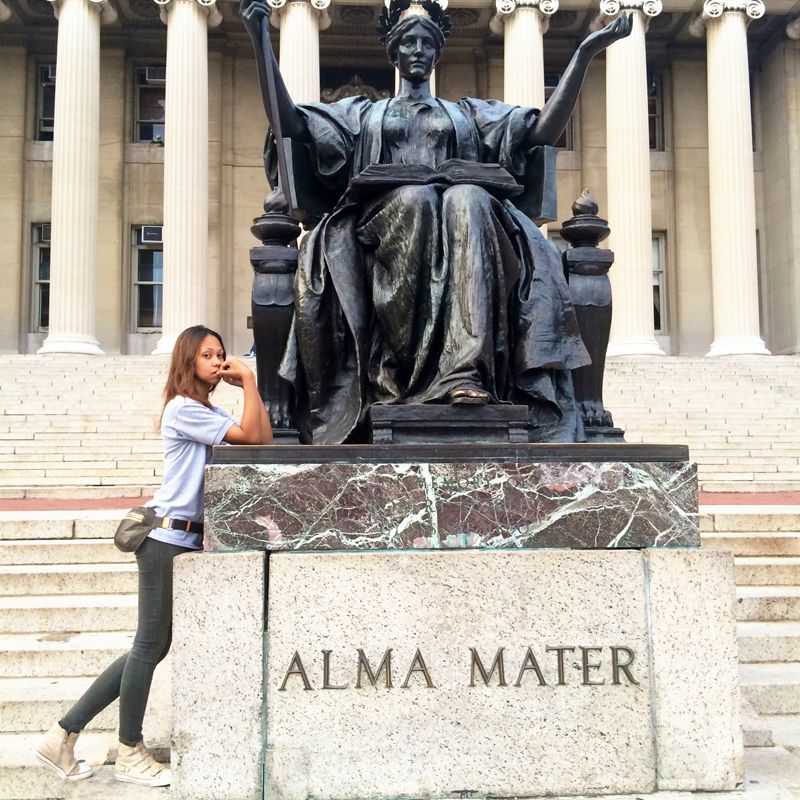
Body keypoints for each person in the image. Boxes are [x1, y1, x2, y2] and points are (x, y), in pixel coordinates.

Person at [240, 0, 631, 445]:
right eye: (408, 42)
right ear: (393, 52)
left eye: (427, 43)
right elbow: (291, 125)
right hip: (383, 220)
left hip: (464, 223)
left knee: (468, 199)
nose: (418, 50)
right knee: (416, 199)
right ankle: (399, 377)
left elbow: (541, 132)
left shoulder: (468, 114)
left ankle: (467, 374)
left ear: (438, 52)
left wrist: (584, 54)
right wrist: (260, 43)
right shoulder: (362, 114)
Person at [32, 325, 272, 787]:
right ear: (187, 361)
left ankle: (62, 735)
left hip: (178, 540)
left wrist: (249, 384)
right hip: (165, 539)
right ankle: (128, 752)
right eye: (208, 354)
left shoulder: (204, 409)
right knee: (148, 646)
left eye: (221, 353)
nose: (218, 361)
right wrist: (250, 384)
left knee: (150, 647)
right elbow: (251, 438)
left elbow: (262, 441)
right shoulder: (185, 409)